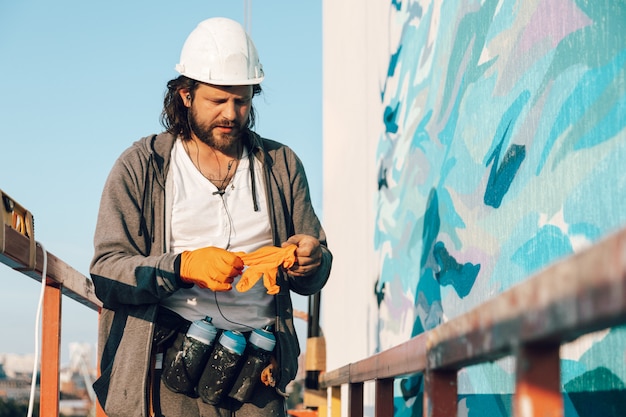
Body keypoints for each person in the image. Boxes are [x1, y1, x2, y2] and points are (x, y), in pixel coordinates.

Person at [89, 17, 332, 417]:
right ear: (185, 94)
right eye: (217, 101)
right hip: (170, 368)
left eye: (242, 100)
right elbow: (107, 272)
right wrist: (182, 267)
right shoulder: (141, 166)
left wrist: (311, 261)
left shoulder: (282, 165)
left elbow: (316, 267)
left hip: (259, 369)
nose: (232, 114)